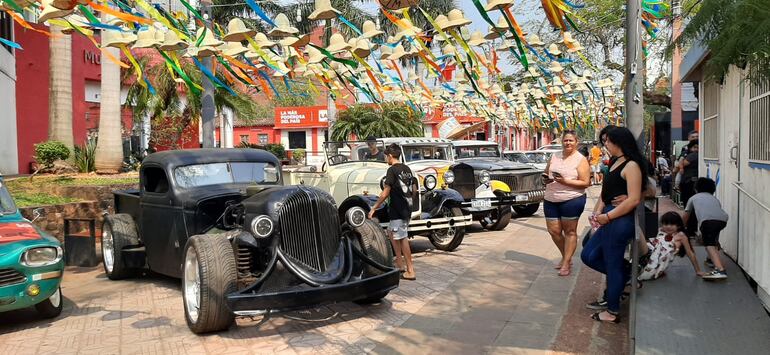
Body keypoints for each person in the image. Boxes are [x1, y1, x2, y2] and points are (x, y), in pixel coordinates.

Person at [581, 127, 648, 324]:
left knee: (612, 264)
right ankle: (628, 274)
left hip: (619, 221)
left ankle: (612, 310)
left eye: (607, 141)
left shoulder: (632, 165)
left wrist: (607, 217)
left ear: (619, 142)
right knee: (589, 255)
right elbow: (606, 191)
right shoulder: (613, 162)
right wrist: (598, 211)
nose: (605, 145)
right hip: (609, 217)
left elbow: (634, 199)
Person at [544, 130, 591, 277]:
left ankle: (566, 262)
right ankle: (566, 256)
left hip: (572, 199)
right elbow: (547, 172)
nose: (568, 143)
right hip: (551, 198)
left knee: (570, 232)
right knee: (554, 231)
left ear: (576, 142)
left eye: (571, 140)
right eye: (565, 140)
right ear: (562, 142)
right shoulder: (554, 156)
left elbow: (585, 182)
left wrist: (565, 181)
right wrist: (546, 179)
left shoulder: (580, 159)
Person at [369, 144, 417, 280]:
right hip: (407, 209)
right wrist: (407, 201)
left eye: (386, 156)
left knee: (403, 239)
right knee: (391, 232)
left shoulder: (391, 170)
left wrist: (374, 207)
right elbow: (414, 189)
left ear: (390, 156)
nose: (385, 158)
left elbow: (385, 193)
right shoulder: (407, 169)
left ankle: (410, 271)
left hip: (397, 210)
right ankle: (400, 264)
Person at [684, 177, 729, 280]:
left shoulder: (694, 197)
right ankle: (710, 260)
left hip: (708, 222)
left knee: (709, 245)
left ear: (696, 189)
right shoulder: (714, 199)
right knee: (713, 240)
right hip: (723, 220)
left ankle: (720, 270)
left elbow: (686, 214)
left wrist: (681, 226)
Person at [638, 212, 704, 280]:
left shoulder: (681, 235)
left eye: (672, 224)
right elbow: (656, 245)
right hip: (649, 253)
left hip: (656, 262)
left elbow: (690, 253)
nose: (668, 226)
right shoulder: (661, 231)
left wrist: (698, 271)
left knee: (637, 229)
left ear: (678, 226)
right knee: (637, 231)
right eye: (666, 224)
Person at [678, 139, 699, 206]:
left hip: (688, 181)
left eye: (697, 147)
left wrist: (681, 166)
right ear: (690, 147)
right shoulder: (690, 154)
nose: (696, 149)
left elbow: (682, 163)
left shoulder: (693, 155)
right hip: (691, 180)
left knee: (687, 202)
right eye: (694, 147)